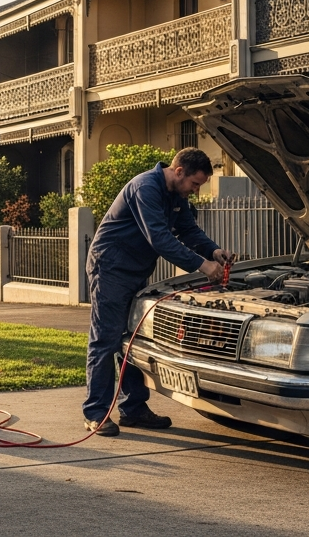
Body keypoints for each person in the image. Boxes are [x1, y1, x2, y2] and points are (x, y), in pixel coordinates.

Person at [82, 147, 234, 436]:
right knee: (106, 340)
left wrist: (214, 251)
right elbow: (160, 239)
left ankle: (134, 409)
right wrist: (203, 266)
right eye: (195, 184)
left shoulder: (177, 195)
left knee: (133, 341)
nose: (196, 190)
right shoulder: (145, 188)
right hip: (110, 268)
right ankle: (96, 413)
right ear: (179, 172)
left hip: (137, 270)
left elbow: (189, 231)